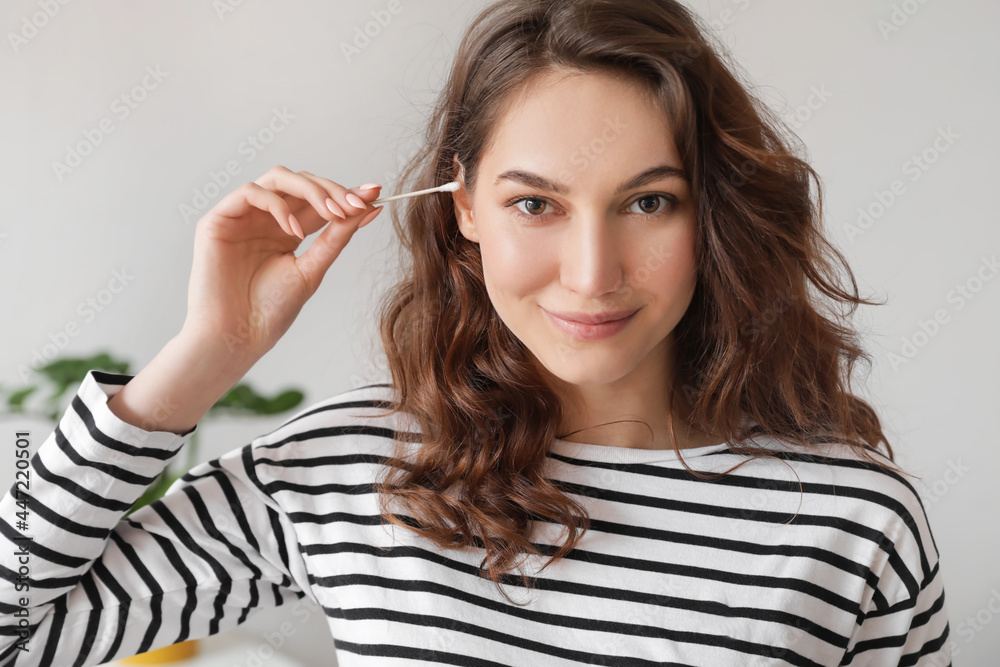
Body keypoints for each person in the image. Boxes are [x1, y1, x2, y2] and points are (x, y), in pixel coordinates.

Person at [1, 0, 953, 665]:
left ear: (712, 214)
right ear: (463, 207)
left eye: (649, 202)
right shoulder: (350, 463)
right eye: (536, 203)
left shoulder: (852, 519)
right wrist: (200, 360)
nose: (591, 271)